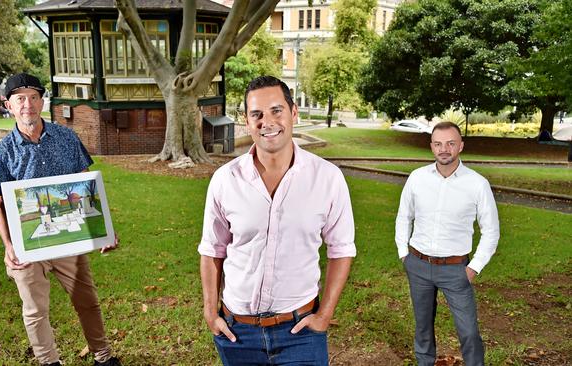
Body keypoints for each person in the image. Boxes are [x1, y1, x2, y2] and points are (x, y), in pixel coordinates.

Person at [198, 76, 356, 365]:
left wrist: (325, 315)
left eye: (276, 111)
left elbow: (341, 250)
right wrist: (211, 312)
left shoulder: (328, 178)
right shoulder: (225, 180)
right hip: (237, 334)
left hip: (300, 331)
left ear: (293, 113)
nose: (266, 122)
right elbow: (212, 250)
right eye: (256, 114)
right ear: (247, 120)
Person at [0, 73, 121, 366]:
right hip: (28, 245)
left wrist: (104, 230)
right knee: (35, 310)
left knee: (87, 301)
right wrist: (9, 245)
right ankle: (49, 362)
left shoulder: (66, 137)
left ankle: (104, 357)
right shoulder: (3, 152)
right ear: (8, 105)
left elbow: (88, 186)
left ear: (42, 101)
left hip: (68, 237)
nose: (28, 105)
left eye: (33, 97)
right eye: (20, 99)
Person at [395, 121, 500, 366]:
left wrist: (473, 268)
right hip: (418, 264)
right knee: (422, 327)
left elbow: (491, 231)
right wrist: (403, 253)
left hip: (456, 270)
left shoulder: (477, 184)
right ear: (431, 146)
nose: (445, 149)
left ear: (460, 146)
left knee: (469, 332)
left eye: (451, 143)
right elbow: (404, 216)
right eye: (439, 144)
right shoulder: (417, 178)